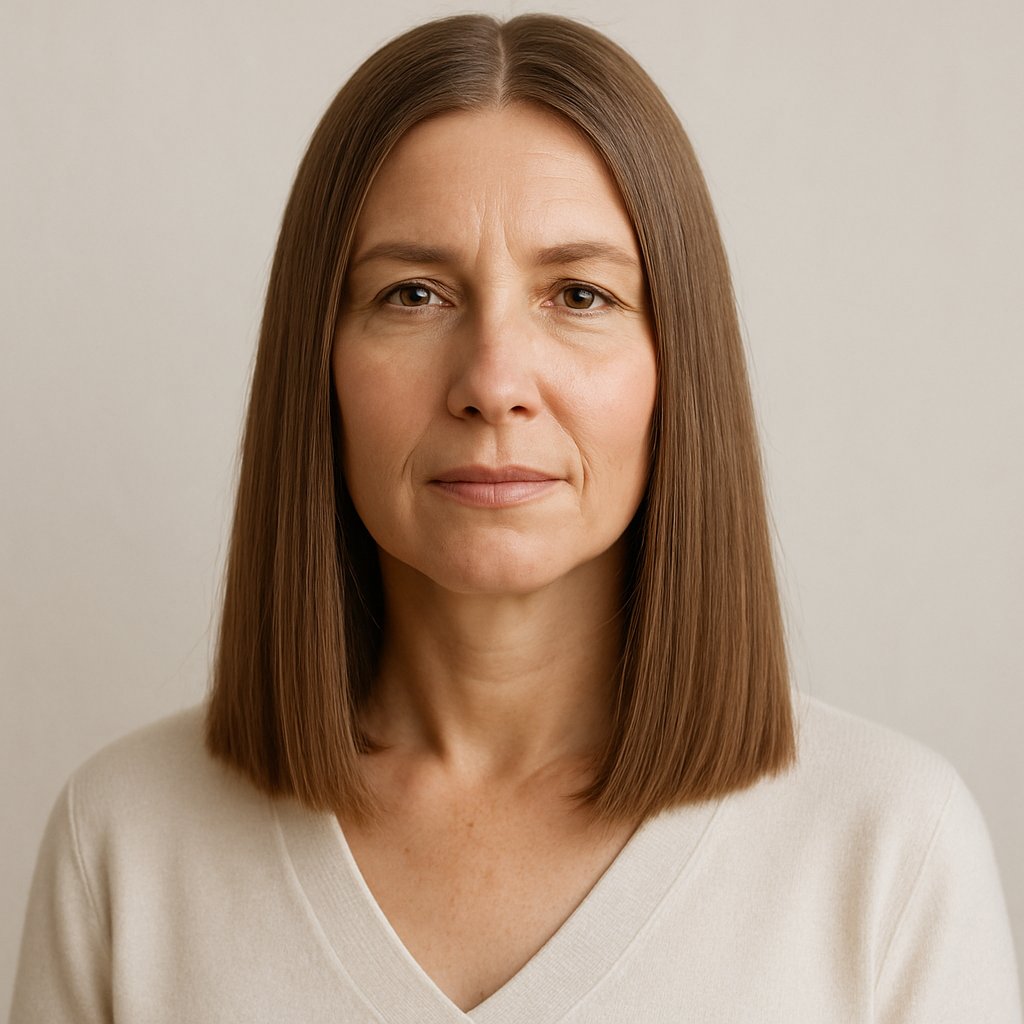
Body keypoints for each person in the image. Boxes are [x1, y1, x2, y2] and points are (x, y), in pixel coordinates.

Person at [10, 13, 1021, 1022]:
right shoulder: (127, 844)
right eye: (412, 294)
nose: (493, 382)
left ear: (678, 367)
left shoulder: (886, 849)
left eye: (578, 294)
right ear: (314, 366)